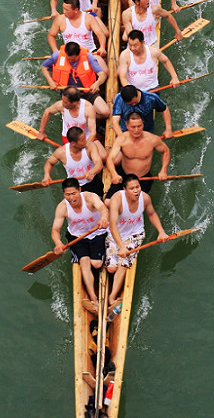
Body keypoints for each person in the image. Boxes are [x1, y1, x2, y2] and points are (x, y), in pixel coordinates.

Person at [105, 174, 168, 307]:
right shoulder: (117, 199)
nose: (136, 191)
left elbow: (152, 214)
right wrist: (121, 246)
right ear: (124, 189)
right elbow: (113, 225)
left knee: (124, 263)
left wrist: (161, 231)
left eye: (137, 187)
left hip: (135, 234)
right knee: (111, 269)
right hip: (115, 234)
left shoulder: (145, 198)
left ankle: (112, 296)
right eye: (132, 188)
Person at [50, 178, 109, 309]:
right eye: (67, 195)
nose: (71, 198)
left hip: (97, 233)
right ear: (64, 194)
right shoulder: (62, 207)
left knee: (97, 264)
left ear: (80, 190)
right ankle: (93, 299)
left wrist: (104, 218)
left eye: (73, 193)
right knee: (84, 262)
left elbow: (103, 208)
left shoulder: (90, 198)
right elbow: (55, 230)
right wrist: (58, 243)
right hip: (77, 237)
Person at [41, 41, 110, 118]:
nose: (70, 61)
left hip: (87, 91)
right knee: (74, 116)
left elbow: (102, 74)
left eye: (73, 60)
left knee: (105, 112)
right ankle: (82, 114)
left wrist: (97, 83)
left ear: (79, 54)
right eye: (68, 59)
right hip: (69, 94)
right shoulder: (57, 55)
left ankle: (85, 114)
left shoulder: (88, 56)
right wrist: (50, 81)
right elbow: (44, 67)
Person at [106, 113, 170, 192]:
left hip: (143, 179)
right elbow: (110, 159)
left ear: (143, 124)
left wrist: (163, 170)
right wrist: (114, 174)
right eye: (133, 127)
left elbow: (166, 151)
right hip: (124, 176)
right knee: (108, 202)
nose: (136, 130)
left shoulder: (152, 139)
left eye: (139, 126)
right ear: (127, 126)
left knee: (136, 203)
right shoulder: (121, 139)